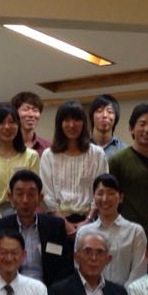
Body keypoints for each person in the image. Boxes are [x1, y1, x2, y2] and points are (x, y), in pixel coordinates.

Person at [0, 170, 72, 285]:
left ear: (40, 198)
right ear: (10, 197)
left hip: (47, 289)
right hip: (10, 288)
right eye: (19, 194)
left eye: (31, 194)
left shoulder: (56, 226)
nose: (25, 200)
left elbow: (66, 265)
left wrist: (53, 291)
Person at [39, 101, 107, 236]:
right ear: (60, 124)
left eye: (76, 119)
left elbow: (102, 190)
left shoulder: (97, 154)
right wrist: (64, 224)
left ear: (84, 123)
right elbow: (46, 194)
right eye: (66, 120)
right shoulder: (49, 155)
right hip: (56, 222)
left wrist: (88, 220)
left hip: (90, 222)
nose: (71, 125)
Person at [106, 103, 148, 234]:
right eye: (142, 124)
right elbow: (109, 198)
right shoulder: (116, 161)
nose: (147, 129)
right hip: (124, 231)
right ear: (131, 128)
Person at [74, 174, 146, 284]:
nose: (105, 199)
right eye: (100, 193)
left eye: (111, 193)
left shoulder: (135, 232)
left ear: (121, 197)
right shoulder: (84, 232)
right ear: (93, 197)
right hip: (90, 293)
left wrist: (121, 294)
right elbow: (79, 269)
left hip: (126, 293)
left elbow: (138, 273)